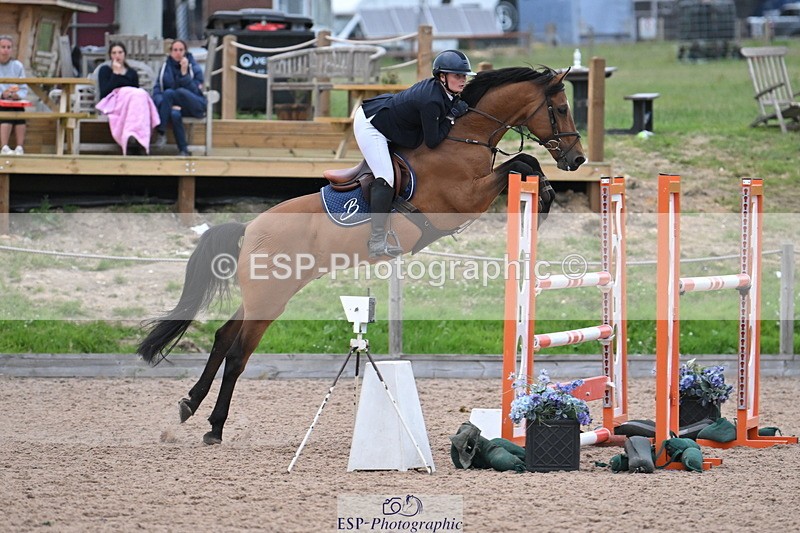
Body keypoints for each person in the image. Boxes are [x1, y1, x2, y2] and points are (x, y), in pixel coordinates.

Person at [354, 49, 475, 258]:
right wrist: (451, 117)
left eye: (464, 76)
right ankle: (375, 240)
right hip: (371, 126)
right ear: (442, 77)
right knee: (386, 177)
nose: (463, 80)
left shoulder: (445, 92)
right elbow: (433, 141)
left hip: (392, 120)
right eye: (458, 76)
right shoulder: (431, 101)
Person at [95, 42, 160, 155]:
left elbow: (136, 92)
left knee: (140, 94)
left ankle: (139, 141)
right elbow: (104, 92)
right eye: (114, 53)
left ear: (125, 54)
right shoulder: (105, 70)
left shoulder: (132, 73)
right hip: (114, 102)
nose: (117, 55)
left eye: (120, 52)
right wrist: (115, 74)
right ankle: (129, 140)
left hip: (132, 103)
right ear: (110, 55)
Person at [152, 39, 206, 157]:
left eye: (181, 50)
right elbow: (157, 91)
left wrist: (184, 74)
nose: (178, 53)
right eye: (175, 50)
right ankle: (183, 151)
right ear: (170, 52)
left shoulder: (194, 67)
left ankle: (161, 131)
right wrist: (166, 104)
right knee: (174, 113)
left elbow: (196, 91)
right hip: (173, 106)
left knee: (174, 92)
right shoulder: (165, 68)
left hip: (195, 105)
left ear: (185, 52)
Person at [0, 35, 29, 155]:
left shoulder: (18, 65)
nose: (6, 50)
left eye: (8, 47)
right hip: (1, 100)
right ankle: (4, 147)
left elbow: (24, 87)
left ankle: (19, 147)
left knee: (19, 111)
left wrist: (18, 95)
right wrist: (2, 94)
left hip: (14, 99)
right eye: (3, 47)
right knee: (6, 111)